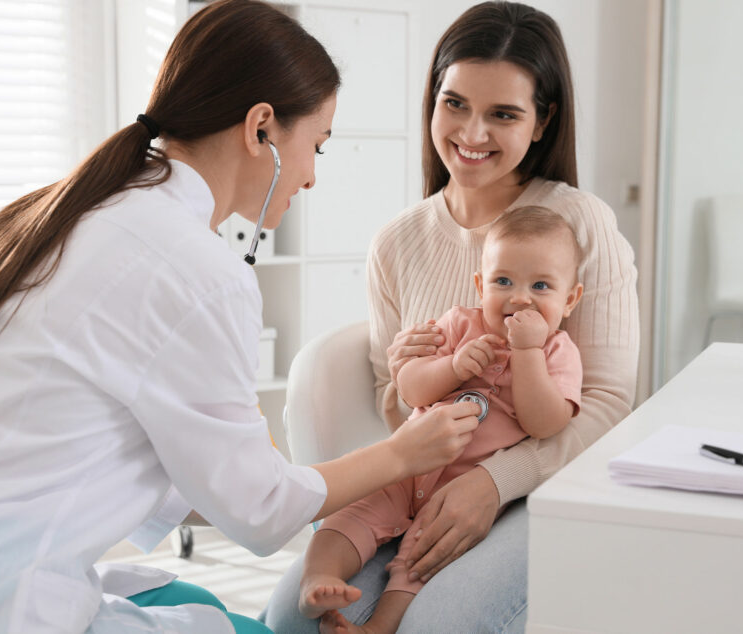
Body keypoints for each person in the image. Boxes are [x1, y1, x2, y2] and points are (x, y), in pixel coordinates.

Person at [0, 2, 482, 633]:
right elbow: (259, 509)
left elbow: (177, 462)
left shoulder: (64, 214)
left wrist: (266, 467)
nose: (311, 177)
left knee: (190, 604)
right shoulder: (195, 267)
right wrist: (402, 455)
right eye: (316, 145)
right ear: (261, 129)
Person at [263, 2, 639, 632]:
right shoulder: (397, 242)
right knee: (289, 619)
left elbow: (606, 407)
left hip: (540, 491)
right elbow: (394, 402)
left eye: (504, 114)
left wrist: (495, 481)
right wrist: (418, 371)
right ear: (432, 101)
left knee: (435, 622)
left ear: (543, 122)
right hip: (418, 479)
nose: (471, 132)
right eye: (455, 103)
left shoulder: (580, 225)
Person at [300, 206, 584, 634]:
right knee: (348, 516)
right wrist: (452, 366)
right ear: (479, 285)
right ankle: (318, 578)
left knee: (421, 561)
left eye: (541, 286)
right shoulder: (456, 324)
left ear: (570, 300)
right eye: (502, 281)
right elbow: (410, 389)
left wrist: (527, 354)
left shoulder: (557, 353)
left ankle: (377, 627)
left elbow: (546, 422)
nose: (520, 297)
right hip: (405, 466)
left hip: (458, 493)